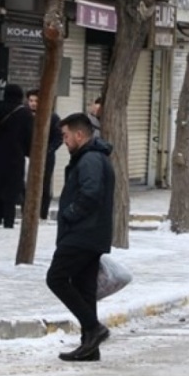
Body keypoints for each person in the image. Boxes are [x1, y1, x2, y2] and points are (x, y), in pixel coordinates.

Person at [46, 112, 114, 362]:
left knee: (56, 278)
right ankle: (90, 347)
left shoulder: (90, 159)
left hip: (82, 234)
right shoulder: (91, 157)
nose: (64, 141)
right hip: (90, 234)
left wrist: (69, 215)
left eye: (65, 135)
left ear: (79, 134)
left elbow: (91, 193)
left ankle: (94, 328)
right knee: (84, 289)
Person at [0, 85, 33, 229]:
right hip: (15, 157)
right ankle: (9, 221)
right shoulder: (25, 113)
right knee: (11, 192)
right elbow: (29, 137)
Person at [27, 89, 63, 219]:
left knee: (44, 184)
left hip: (46, 157)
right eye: (31, 100)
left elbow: (59, 138)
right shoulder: (24, 115)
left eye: (36, 101)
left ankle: (42, 213)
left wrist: (48, 150)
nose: (33, 103)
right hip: (27, 156)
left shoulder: (52, 117)